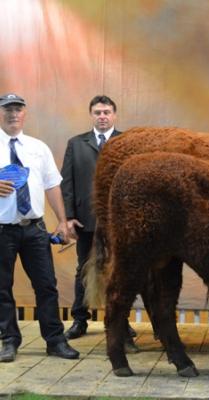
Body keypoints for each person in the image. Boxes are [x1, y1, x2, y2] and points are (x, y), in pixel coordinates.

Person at [0, 93, 79, 362]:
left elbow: (52, 185)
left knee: (46, 285)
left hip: (35, 229)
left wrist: (61, 220)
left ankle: (55, 341)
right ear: (1, 113)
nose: (13, 114)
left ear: (25, 114)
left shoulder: (38, 147)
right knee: (1, 287)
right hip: (2, 230)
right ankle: (9, 341)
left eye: (17, 110)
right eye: (7, 110)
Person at [61, 95, 136, 343]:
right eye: (97, 112)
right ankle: (79, 320)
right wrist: (69, 217)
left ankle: (120, 321)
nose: (102, 116)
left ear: (114, 115)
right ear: (91, 115)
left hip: (120, 221)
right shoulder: (76, 144)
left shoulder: (128, 142)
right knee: (84, 268)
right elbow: (67, 184)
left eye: (106, 112)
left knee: (121, 271)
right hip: (86, 219)